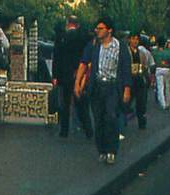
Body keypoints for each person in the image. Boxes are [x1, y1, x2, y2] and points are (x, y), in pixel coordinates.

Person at [75, 16, 131, 165]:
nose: (97, 31)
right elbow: (83, 64)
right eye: (96, 28)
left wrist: (126, 89)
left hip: (113, 87)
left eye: (100, 28)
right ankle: (102, 150)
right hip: (97, 86)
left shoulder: (120, 47)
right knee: (98, 119)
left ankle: (112, 150)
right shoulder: (93, 45)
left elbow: (126, 69)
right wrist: (77, 83)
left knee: (111, 117)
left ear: (109, 30)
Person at [51, 16, 94, 139]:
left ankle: (64, 131)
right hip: (78, 74)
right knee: (81, 103)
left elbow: (57, 57)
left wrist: (55, 76)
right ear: (78, 25)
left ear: (67, 24)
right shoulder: (83, 38)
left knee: (65, 103)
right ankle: (88, 130)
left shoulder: (61, 38)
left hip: (64, 74)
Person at [127, 31, 155, 130]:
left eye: (137, 39)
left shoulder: (142, 53)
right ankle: (123, 122)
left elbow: (147, 67)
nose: (135, 41)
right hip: (129, 80)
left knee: (141, 103)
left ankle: (142, 123)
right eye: (133, 39)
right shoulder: (126, 52)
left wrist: (148, 79)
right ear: (129, 39)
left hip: (140, 79)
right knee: (126, 102)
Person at [152, 37, 170, 110]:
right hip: (167, 69)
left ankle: (163, 104)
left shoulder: (154, 51)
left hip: (158, 69)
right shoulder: (169, 52)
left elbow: (152, 61)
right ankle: (168, 102)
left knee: (160, 87)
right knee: (167, 87)